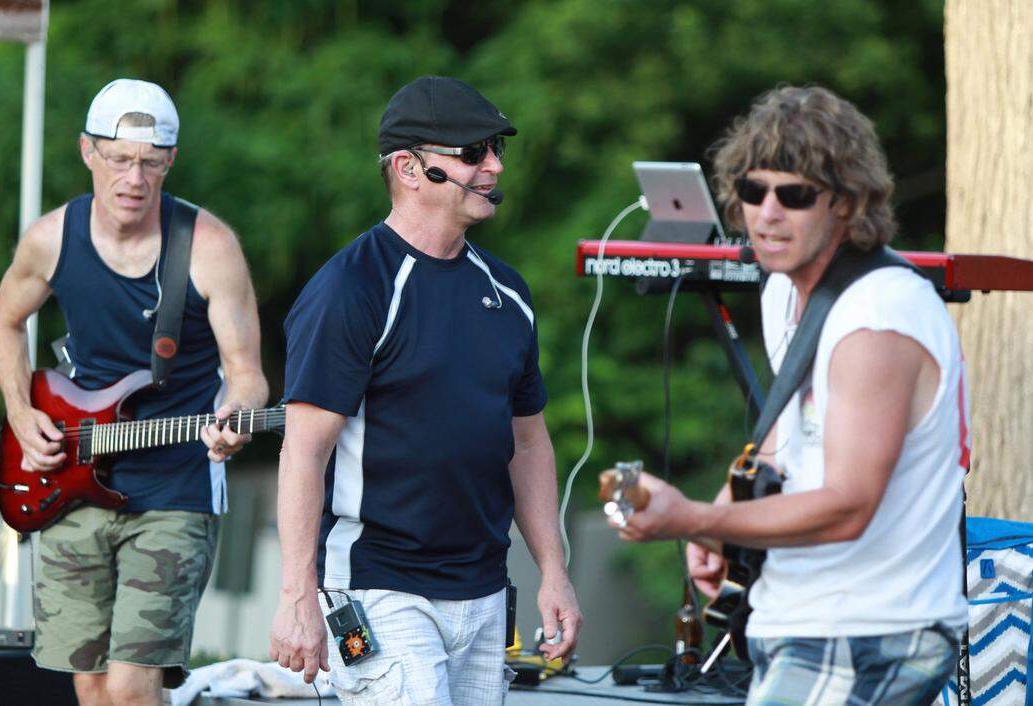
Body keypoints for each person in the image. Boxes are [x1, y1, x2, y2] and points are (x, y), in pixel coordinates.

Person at [612, 85, 968, 705]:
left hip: (870, 630)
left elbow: (849, 504)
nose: (767, 213)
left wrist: (697, 517)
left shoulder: (877, 317)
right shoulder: (784, 289)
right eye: (754, 191)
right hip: (808, 621)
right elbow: (782, 444)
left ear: (847, 204)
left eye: (795, 195)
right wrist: (724, 523)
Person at [268, 76, 582, 705]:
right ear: (411, 170)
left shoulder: (508, 292)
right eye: (472, 153)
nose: (493, 165)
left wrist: (554, 569)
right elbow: (304, 452)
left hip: (486, 591)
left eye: (495, 148)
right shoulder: (351, 289)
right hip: (381, 591)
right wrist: (297, 595)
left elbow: (528, 442)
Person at [0, 78, 268, 706]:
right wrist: (19, 409)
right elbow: (5, 323)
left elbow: (246, 373)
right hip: (72, 472)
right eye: (118, 158)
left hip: (175, 484)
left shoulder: (210, 248)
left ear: (170, 161)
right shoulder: (50, 239)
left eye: (149, 162)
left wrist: (238, 416)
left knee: (133, 686)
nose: (133, 178)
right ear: (88, 151)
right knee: (90, 686)